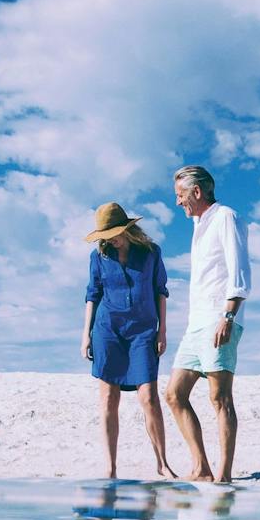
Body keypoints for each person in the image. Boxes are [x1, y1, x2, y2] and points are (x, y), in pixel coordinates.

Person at [164, 164, 251, 482]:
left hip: (219, 318)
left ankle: (224, 476)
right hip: (196, 324)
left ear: (197, 192)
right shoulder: (199, 225)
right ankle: (201, 468)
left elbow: (239, 269)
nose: (178, 202)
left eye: (180, 195)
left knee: (220, 397)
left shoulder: (226, 217)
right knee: (174, 394)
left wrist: (228, 315)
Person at [82, 202, 178, 479]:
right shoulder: (99, 256)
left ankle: (162, 463)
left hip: (143, 331)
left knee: (149, 397)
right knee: (108, 398)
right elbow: (93, 295)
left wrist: (162, 330)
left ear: (126, 228)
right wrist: (85, 334)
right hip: (107, 331)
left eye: (112, 233)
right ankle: (110, 468)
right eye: (104, 235)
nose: (108, 239)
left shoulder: (150, 252)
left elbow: (160, 291)